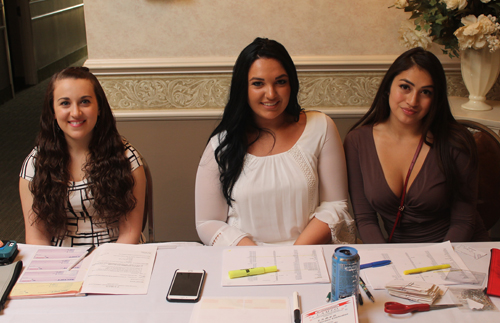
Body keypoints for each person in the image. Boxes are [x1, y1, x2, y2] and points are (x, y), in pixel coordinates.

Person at [195, 38, 355, 246]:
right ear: (243, 88)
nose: (271, 94)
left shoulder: (321, 127)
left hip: (308, 253)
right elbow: (208, 222)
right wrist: (256, 256)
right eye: (258, 84)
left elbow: (335, 204)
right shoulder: (222, 144)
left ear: (292, 83)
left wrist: (294, 254)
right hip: (246, 260)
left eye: (280, 82)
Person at [344, 47, 489, 243]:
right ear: (388, 87)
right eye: (405, 87)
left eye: (426, 92)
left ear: (435, 99)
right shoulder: (357, 141)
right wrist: (386, 262)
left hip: (458, 249)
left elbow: (463, 222)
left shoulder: (457, 142)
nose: (413, 101)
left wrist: (440, 267)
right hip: (400, 258)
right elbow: (366, 219)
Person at [19, 67, 146, 247]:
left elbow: (130, 233)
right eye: (65, 103)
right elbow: (37, 238)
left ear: (99, 107)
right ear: (53, 112)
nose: (76, 113)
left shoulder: (127, 159)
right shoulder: (34, 165)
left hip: (118, 257)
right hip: (60, 262)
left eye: (85, 102)